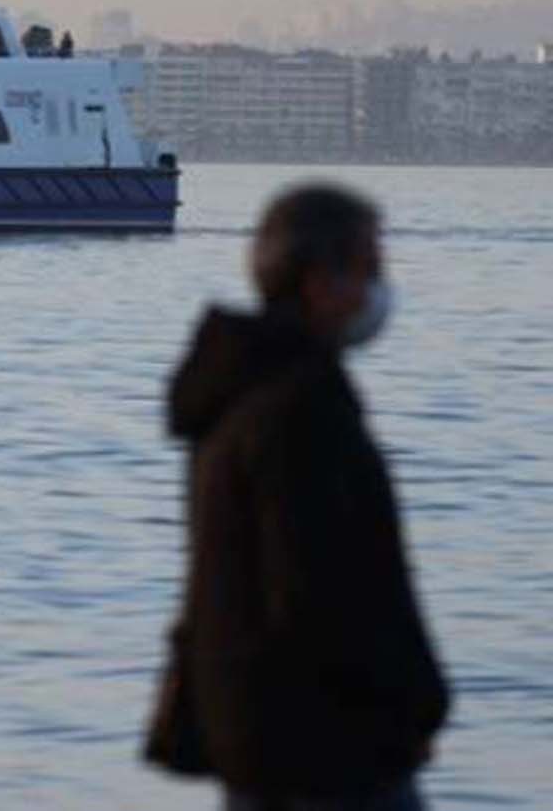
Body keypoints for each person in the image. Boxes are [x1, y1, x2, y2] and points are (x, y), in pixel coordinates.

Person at [145, 184, 450, 809]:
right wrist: (406, 710)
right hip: (330, 751)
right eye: (370, 268)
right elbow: (321, 588)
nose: (379, 288)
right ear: (320, 281)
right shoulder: (301, 410)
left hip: (260, 740)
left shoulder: (236, 394)